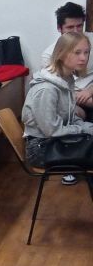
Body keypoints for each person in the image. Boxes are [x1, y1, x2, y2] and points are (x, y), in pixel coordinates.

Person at [23, 32, 93, 168]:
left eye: (86, 52)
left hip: (58, 140)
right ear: (61, 54)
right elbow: (52, 131)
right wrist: (81, 129)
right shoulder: (47, 89)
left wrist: (88, 128)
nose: (83, 58)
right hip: (42, 149)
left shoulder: (67, 79)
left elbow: (70, 118)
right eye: (77, 53)